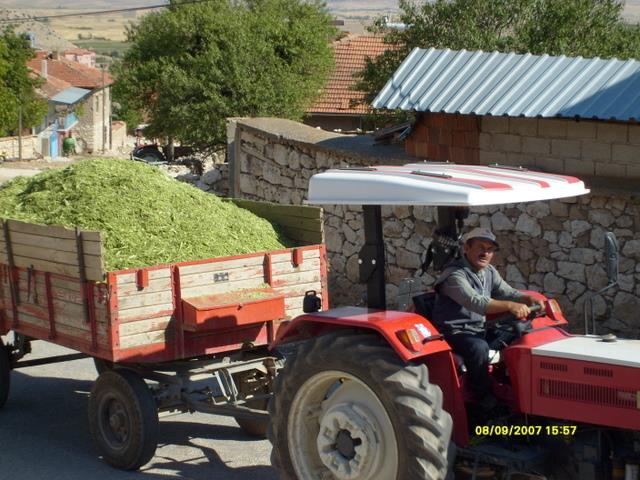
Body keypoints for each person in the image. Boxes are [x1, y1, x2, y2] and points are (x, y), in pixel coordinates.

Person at [431, 227, 544, 410]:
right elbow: (476, 302)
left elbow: (507, 292)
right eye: (481, 247)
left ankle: (515, 383)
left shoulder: (489, 272)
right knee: (479, 347)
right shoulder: (454, 275)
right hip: (454, 332)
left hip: (477, 329)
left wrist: (527, 298)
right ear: (467, 248)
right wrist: (510, 306)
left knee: (520, 330)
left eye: (490, 249)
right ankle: (483, 395)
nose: (485, 253)